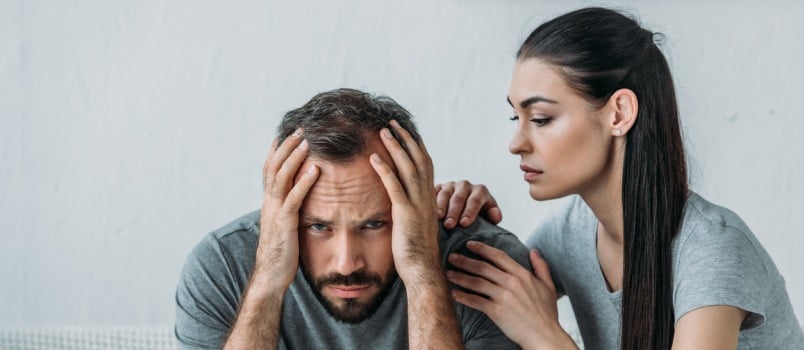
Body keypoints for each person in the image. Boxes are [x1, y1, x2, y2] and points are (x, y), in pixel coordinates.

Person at [436, 7, 804, 350]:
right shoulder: (572, 232)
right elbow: (487, 289)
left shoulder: (713, 249)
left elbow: (532, 324)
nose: (516, 144)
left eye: (542, 119)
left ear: (619, 114)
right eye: (516, 118)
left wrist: (546, 337)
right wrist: (458, 214)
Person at [174, 88, 531, 350]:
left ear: (417, 201)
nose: (347, 262)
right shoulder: (220, 266)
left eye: (374, 224)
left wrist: (423, 271)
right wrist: (267, 279)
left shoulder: (484, 266)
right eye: (318, 226)